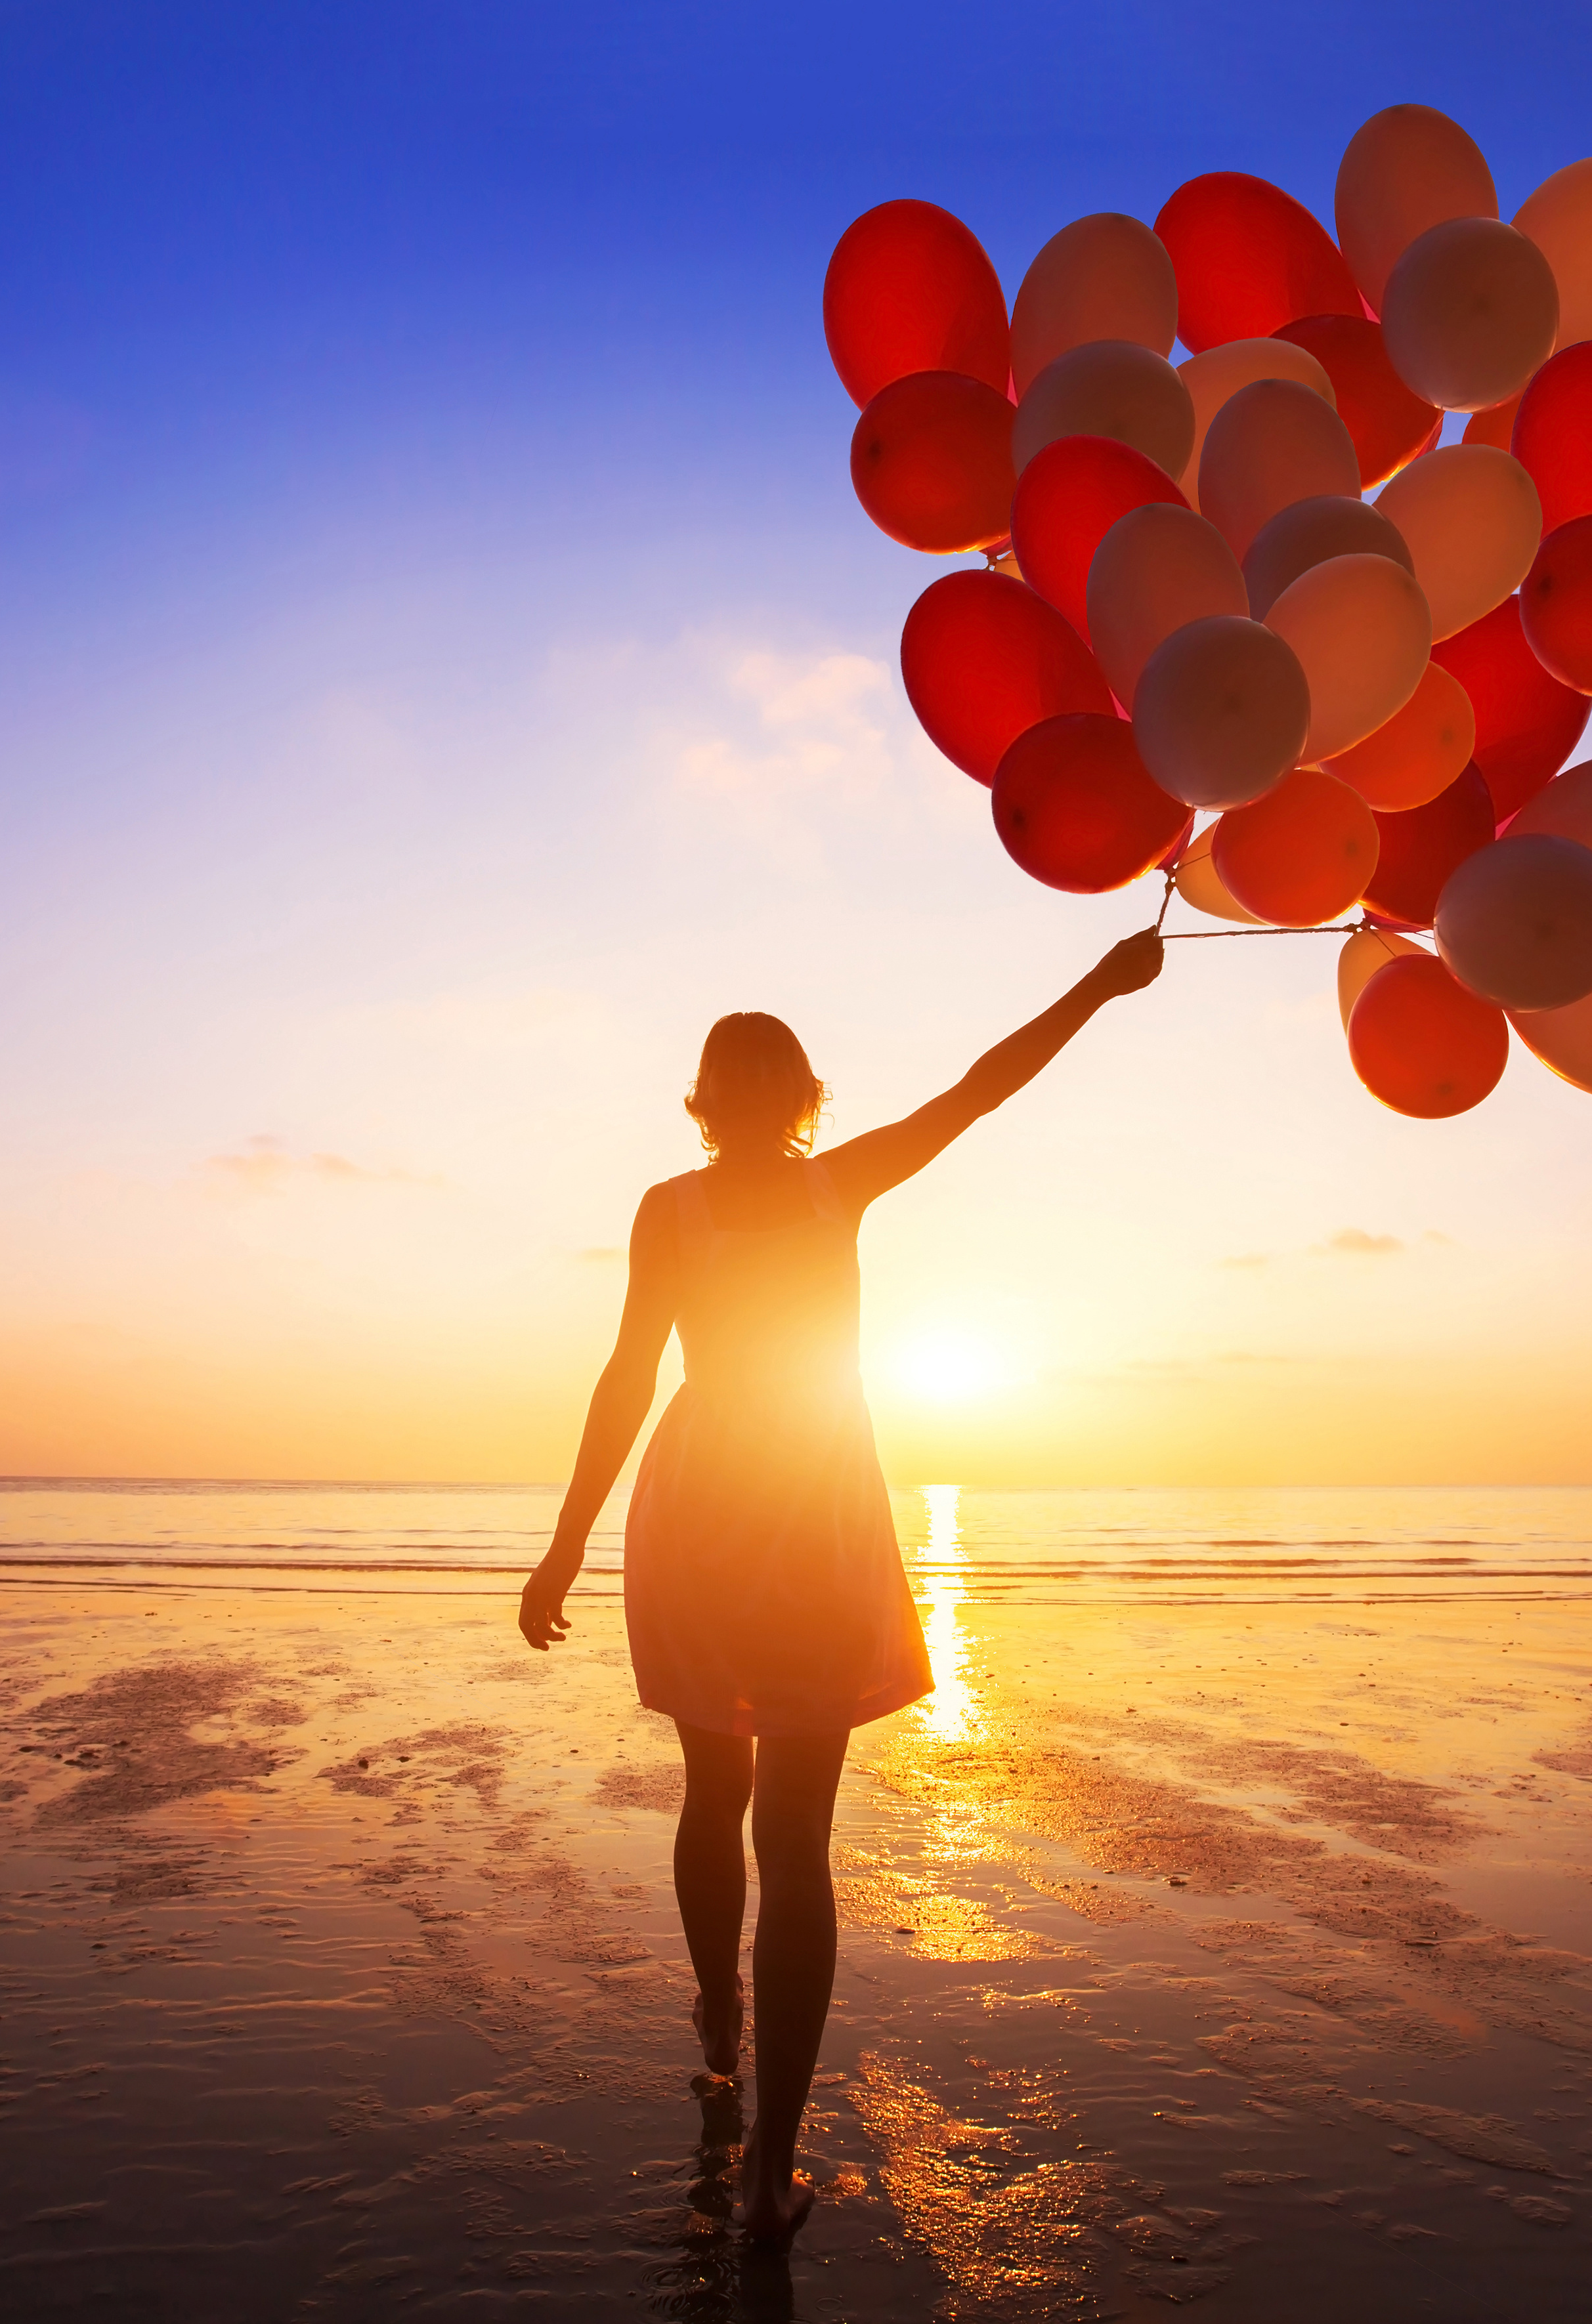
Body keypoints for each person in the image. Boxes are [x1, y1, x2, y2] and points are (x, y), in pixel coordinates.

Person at [515, 925, 1167, 2243]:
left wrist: (570, 1532)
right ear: (803, 1098)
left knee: (720, 1788)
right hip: (805, 1504)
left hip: (707, 1507)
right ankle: (768, 2169)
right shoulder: (835, 1183)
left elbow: (629, 1379)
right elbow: (980, 1089)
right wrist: (1097, 985)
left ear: (711, 1100)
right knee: (794, 1843)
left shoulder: (674, 1204)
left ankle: (718, 2011)